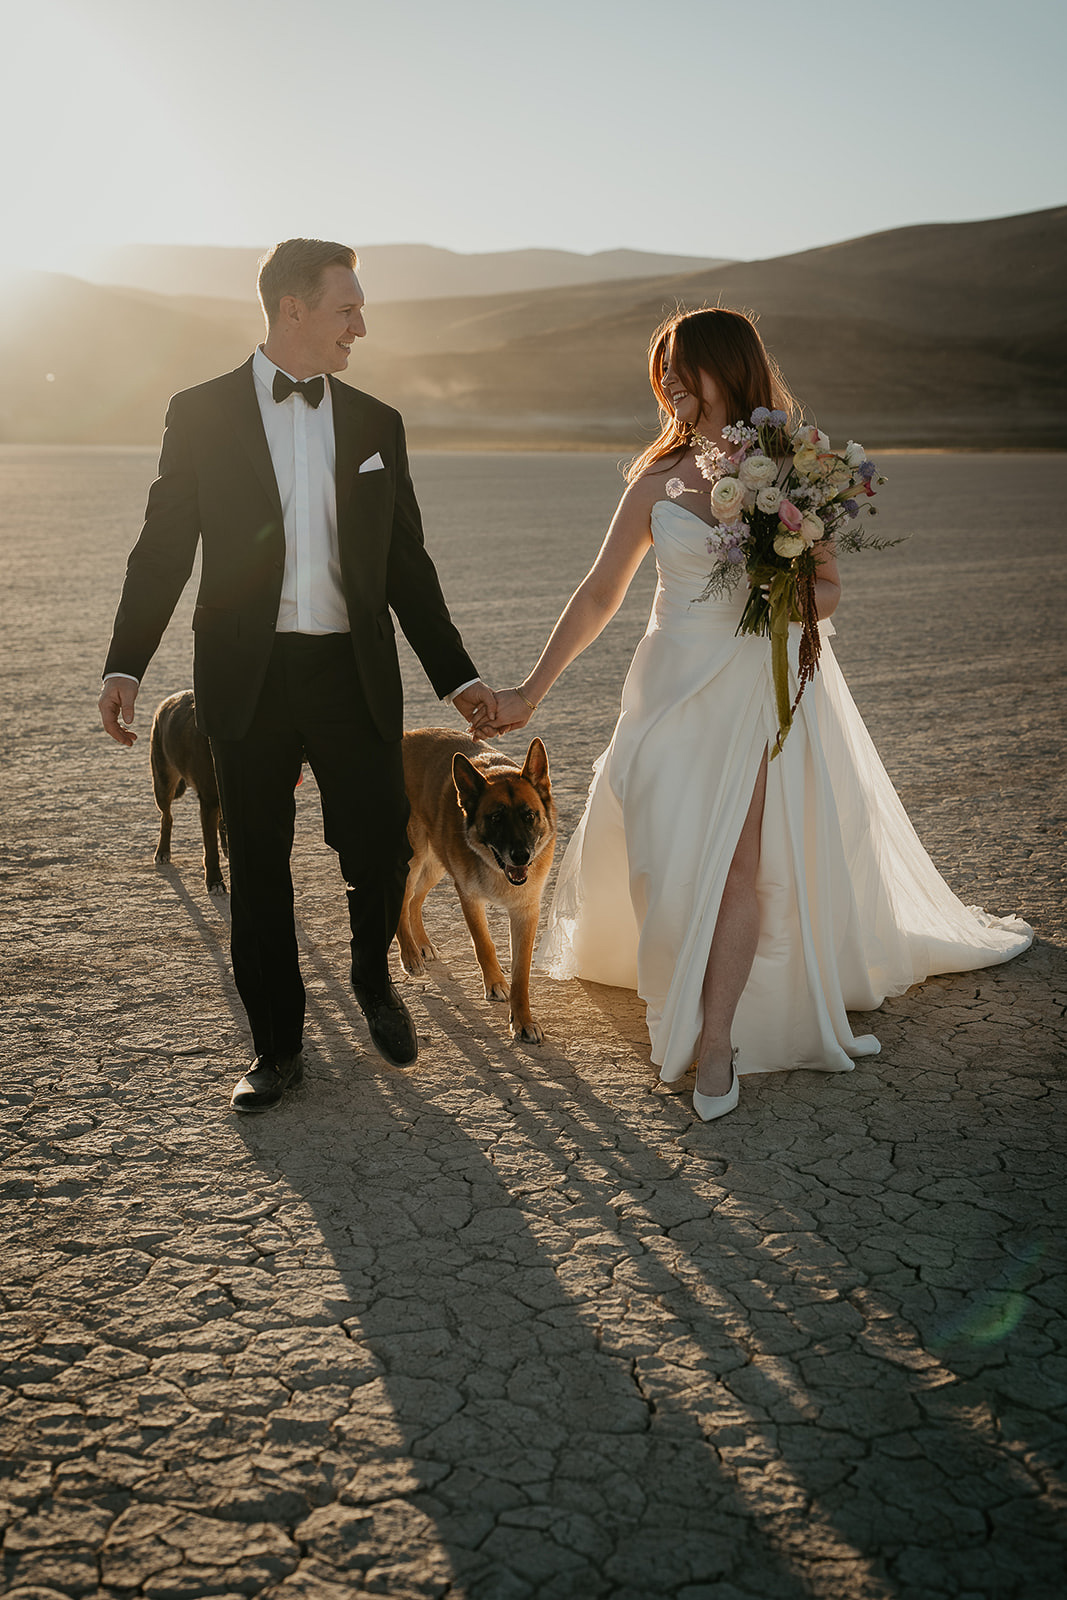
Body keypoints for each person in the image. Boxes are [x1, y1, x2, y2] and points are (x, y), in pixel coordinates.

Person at [474, 307, 1032, 1120]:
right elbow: (599, 593)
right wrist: (529, 691)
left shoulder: (792, 470)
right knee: (658, 856)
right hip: (667, 687)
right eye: (659, 370)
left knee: (739, 863)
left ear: (726, 371)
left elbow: (831, 587)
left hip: (753, 686)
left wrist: (782, 583)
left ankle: (716, 1041)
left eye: (681, 369)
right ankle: (683, 987)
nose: (667, 385)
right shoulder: (654, 480)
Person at [100, 238, 496, 1113]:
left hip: (351, 672)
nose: (362, 324)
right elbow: (164, 545)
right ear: (294, 310)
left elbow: (405, 564)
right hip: (246, 676)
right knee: (259, 864)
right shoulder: (198, 412)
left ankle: (371, 979)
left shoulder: (375, 423)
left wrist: (458, 678)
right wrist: (126, 661)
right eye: (347, 307)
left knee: (379, 843)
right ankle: (276, 1049)